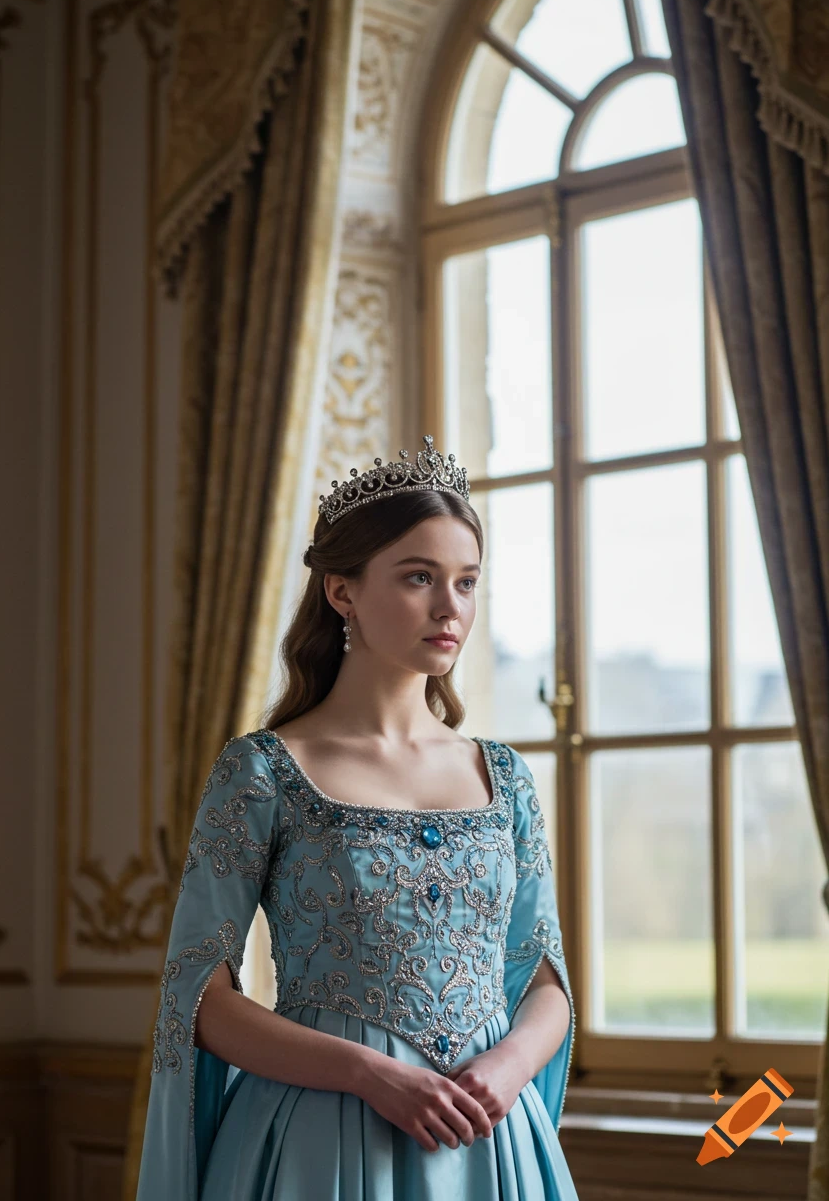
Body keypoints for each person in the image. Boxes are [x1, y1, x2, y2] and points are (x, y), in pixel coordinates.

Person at [136, 435, 579, 1199]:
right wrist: (370, 1074)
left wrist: (506, 1071)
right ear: (342, 592)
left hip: (487, 1137)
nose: (451, 608)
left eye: (467, 582)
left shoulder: (502, 776)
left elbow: (544, 980)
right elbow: (200, 999)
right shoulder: (262, 772)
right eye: (419, 578)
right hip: (320, 1135)